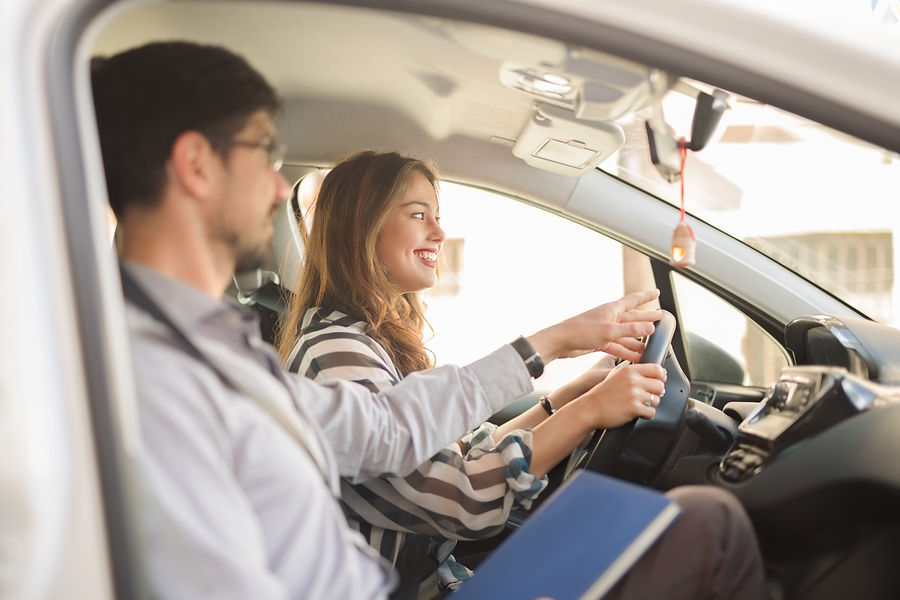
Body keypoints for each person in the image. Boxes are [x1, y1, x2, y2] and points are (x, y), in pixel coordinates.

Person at [90, 40, 766, 600]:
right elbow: (459, 494)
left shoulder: (218, 350)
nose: (276, 186)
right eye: (263, 153)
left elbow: (391, 432)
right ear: (197, 165)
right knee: (712, 524)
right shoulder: (168, 374)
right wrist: (567, 378)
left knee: (689, 520)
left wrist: (563, 384)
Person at [277, 150, 674, 598]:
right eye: (418, 214)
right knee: (693, 522)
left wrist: (571, 395)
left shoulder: (366, 339)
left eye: (436, 215)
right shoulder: (334, 353)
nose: (439, 232)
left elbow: (457, 455)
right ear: (361, 228)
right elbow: (461, 497)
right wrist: (588, 410)